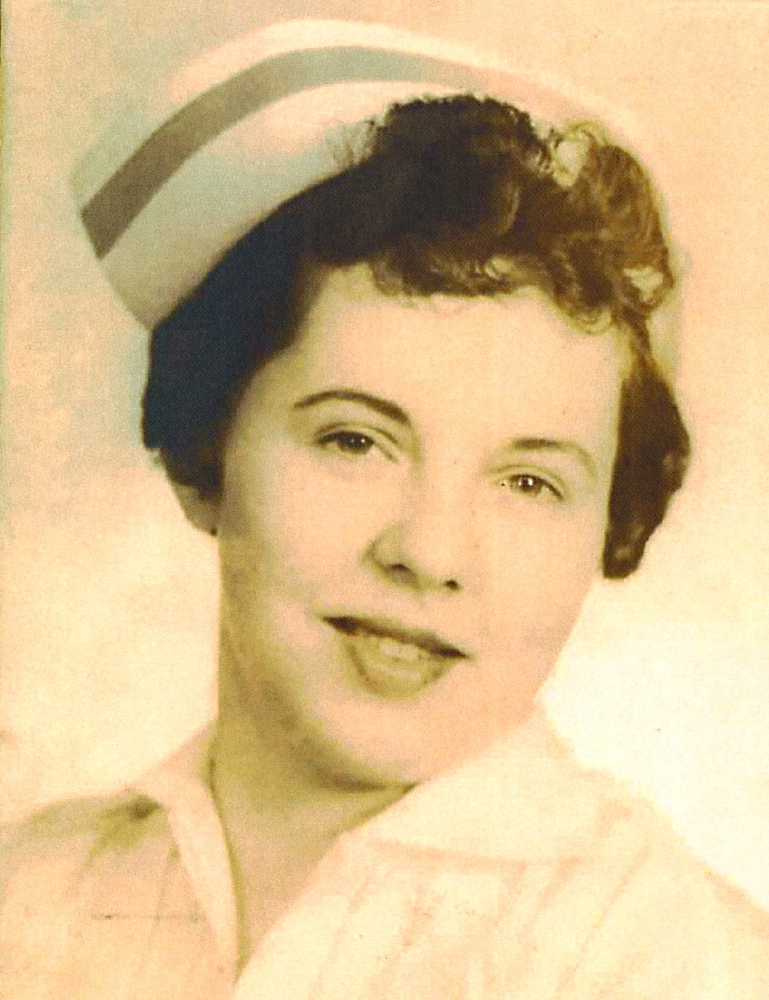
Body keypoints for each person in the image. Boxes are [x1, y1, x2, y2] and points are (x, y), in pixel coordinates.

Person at [1, 19, 767, 1000]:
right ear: (205, 453)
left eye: (529, 482)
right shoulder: (30, 891)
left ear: (606, 526)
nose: (430, 552)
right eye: (354, 441)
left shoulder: (672, 957)